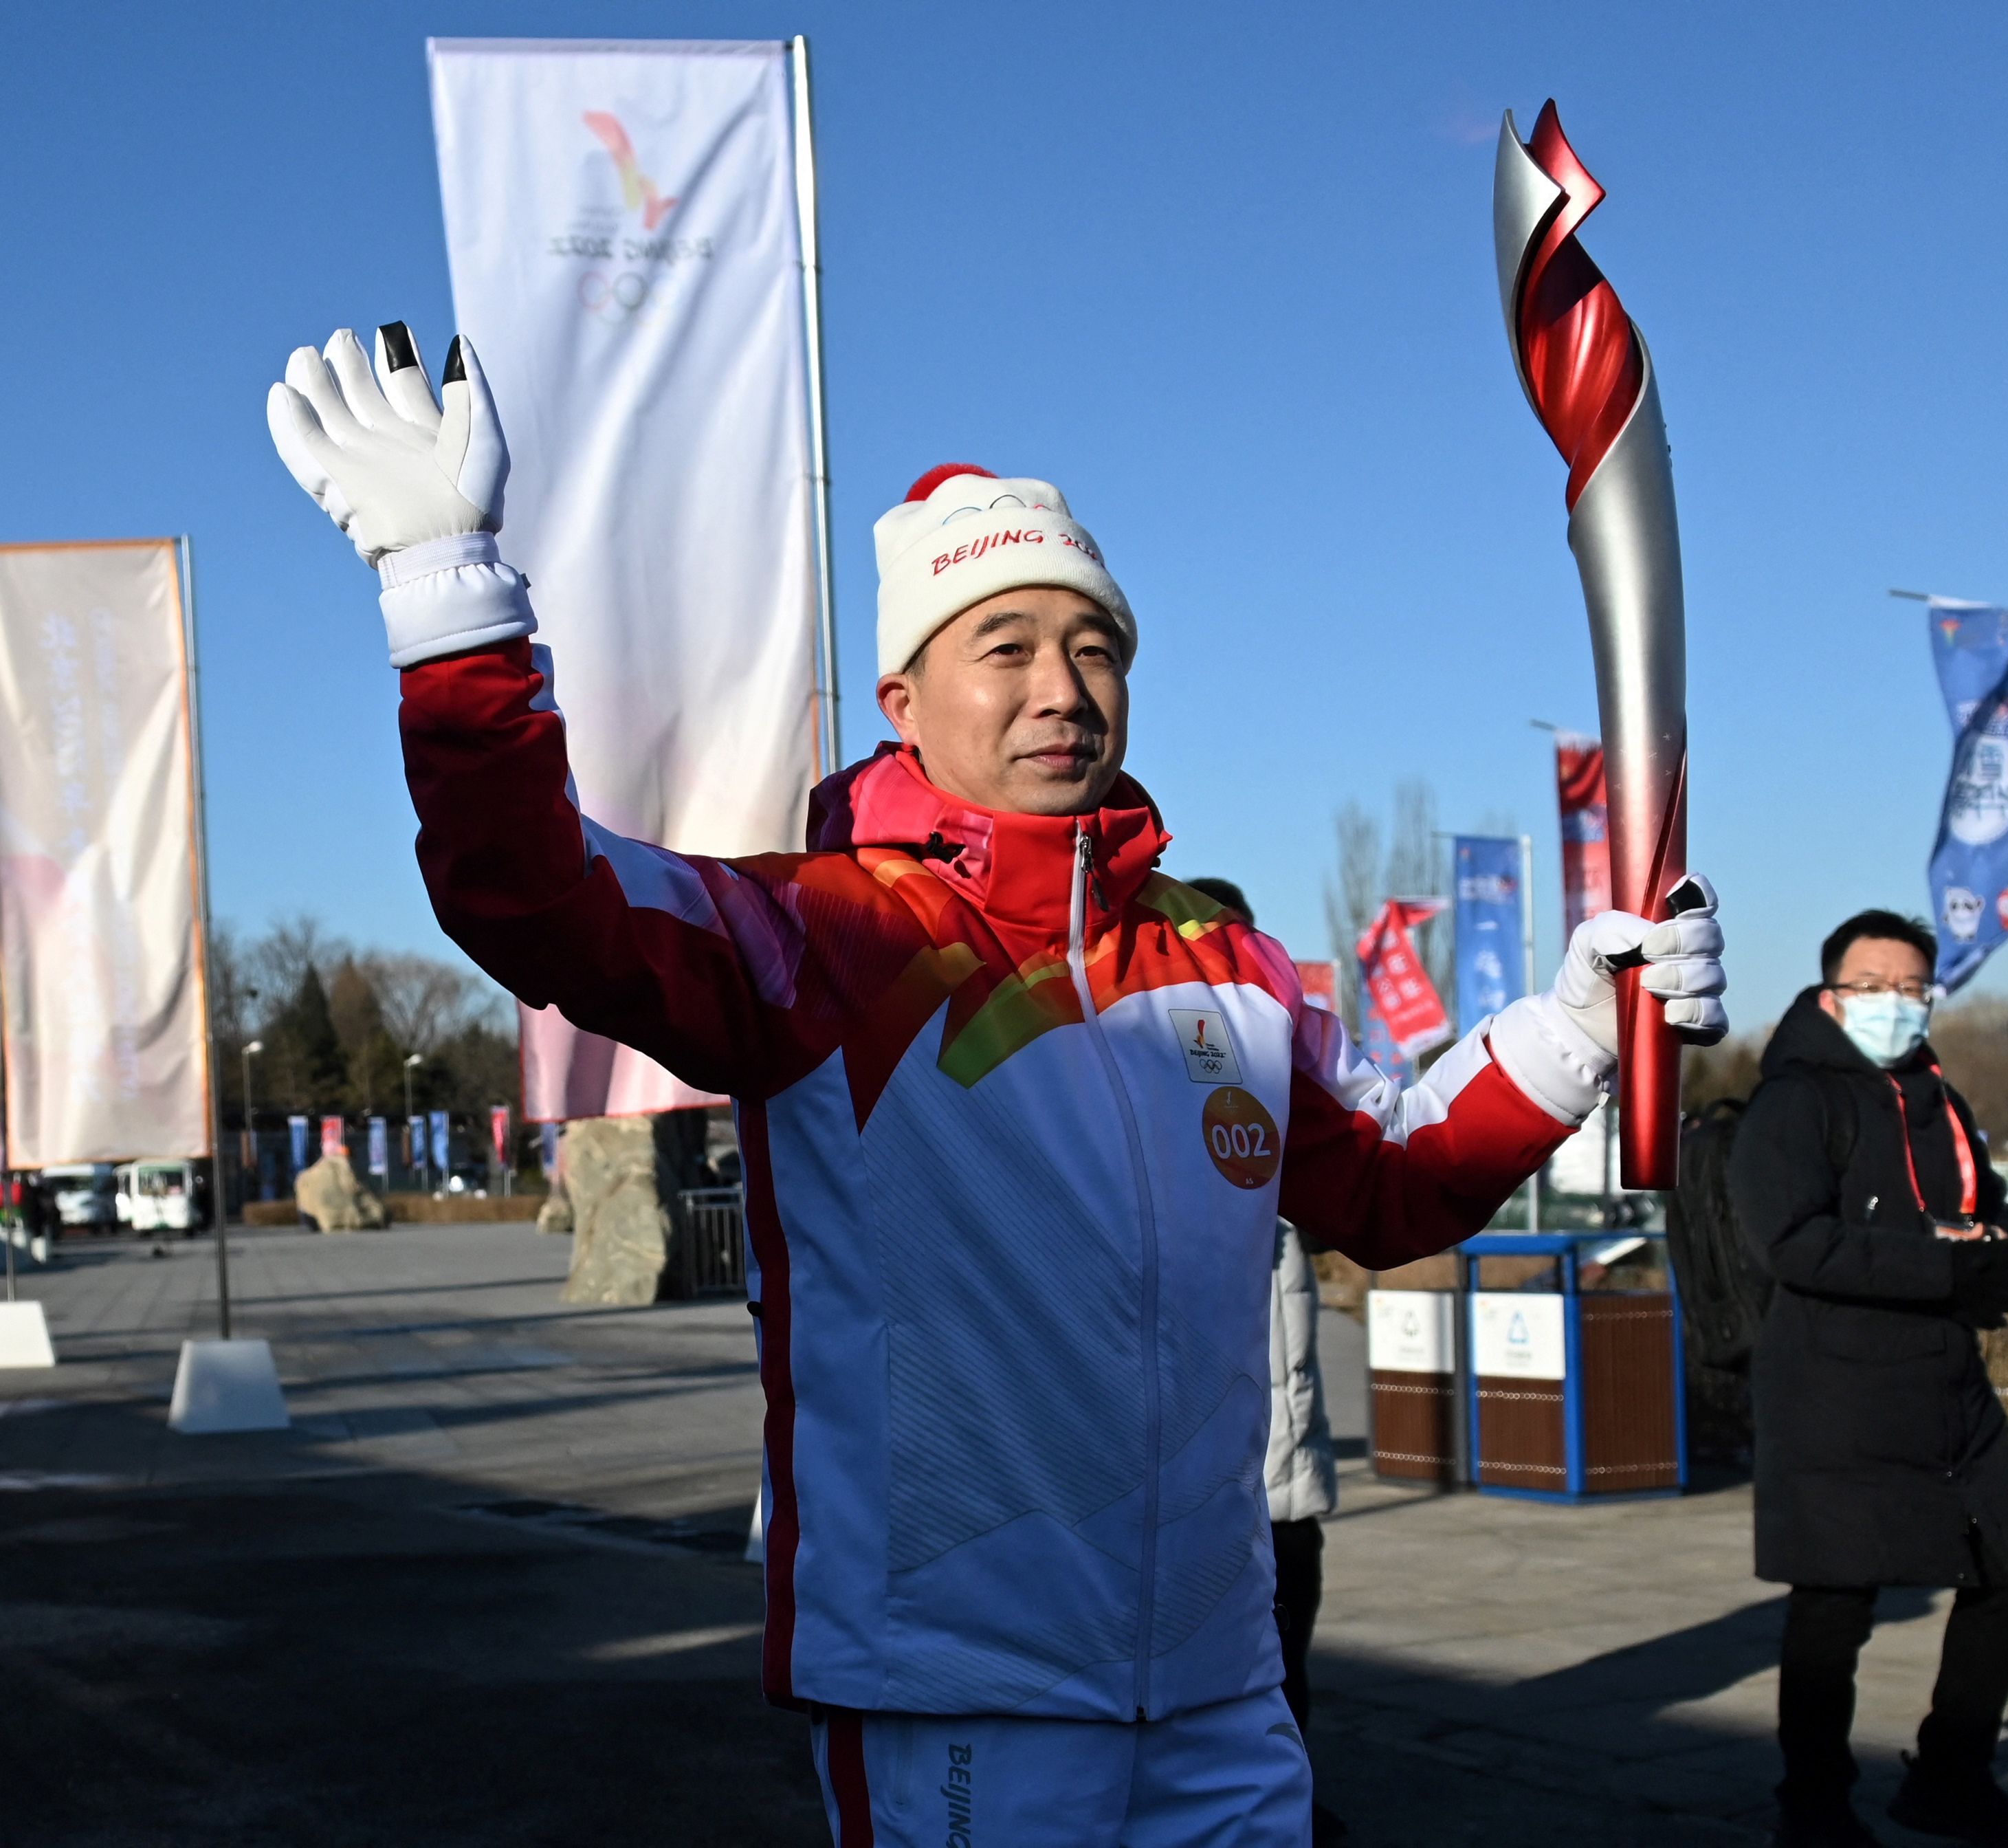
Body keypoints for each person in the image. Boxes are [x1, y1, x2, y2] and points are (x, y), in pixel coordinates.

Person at [265, 323, 1729, 1847]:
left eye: (1094, 647)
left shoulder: (1219, 960)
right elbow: (528, 894)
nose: (1062, 690)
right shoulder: (826, 937)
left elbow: (1388, 1182)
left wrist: (1573, 1026)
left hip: (1222, 1688)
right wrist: (448, 598)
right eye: (1006, 647)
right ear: (905, 695)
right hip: (958, 1689)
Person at [1733, 910, 2008, 1848]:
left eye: (1913, 988)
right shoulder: (1795, 1099)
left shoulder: (1937, 1098)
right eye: (1874, 987)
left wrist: (2000, 1258)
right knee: (1835, 1602)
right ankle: (1816, 1806)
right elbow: (1793, 1243)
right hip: (1834, 1386)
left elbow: (1993, 1218)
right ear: (1833, 995)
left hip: (1944, 1384)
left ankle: (1952, 1773)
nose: (1895, 1004)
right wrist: (1941, 1259)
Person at [1187, 877, 1349, 1848]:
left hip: (1289, 1492)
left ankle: (1292, 1800)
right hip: (1199, 1494)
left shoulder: (1278, 1104)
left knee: (1289, 1674)